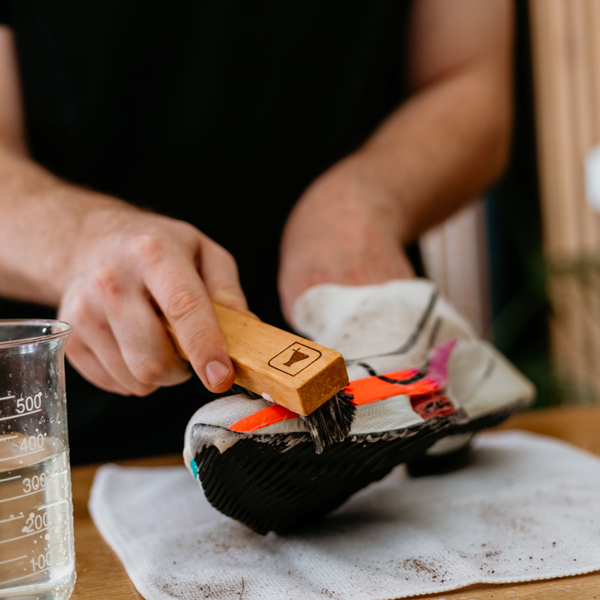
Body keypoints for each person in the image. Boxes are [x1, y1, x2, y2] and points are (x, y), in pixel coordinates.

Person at [0, 0, 512, 462]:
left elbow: (470, 79)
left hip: (369, 396)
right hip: (63, 445)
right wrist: (82, 241)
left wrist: (366, 198)